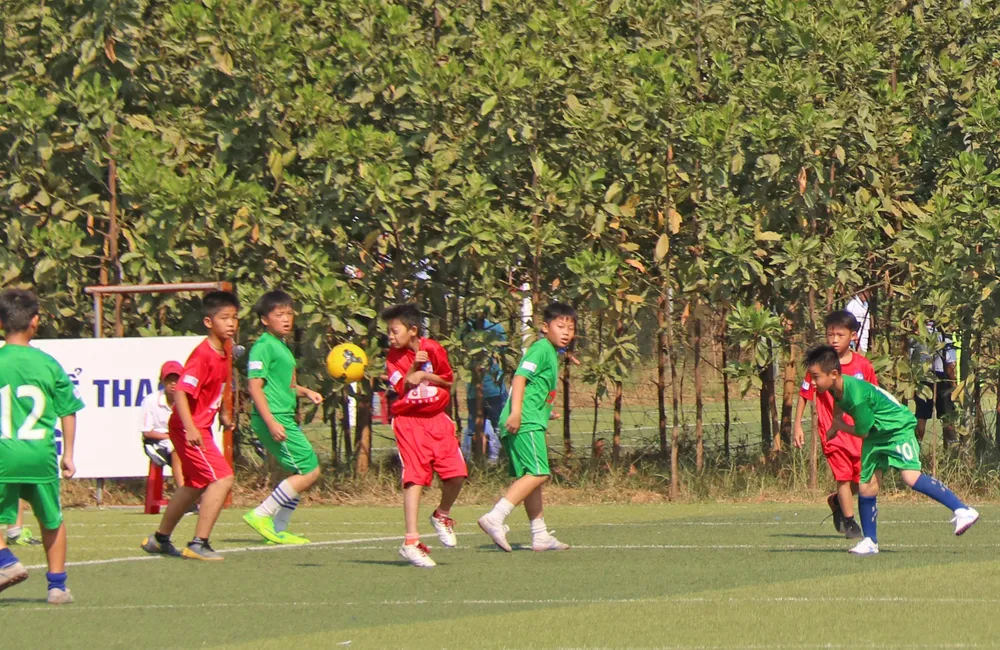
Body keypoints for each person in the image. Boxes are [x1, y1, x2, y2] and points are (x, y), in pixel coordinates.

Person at [804, 345, 979, 555]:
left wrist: (839, 426)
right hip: (877, 434)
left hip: (896, 430)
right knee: (866, 486)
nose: (812, 382)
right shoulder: (837, 387)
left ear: (833, 374)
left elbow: (862, 432)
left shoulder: (857, 395)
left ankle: (963, 510)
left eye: (816, 377)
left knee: (910, 476)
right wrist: (835, 423)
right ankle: (870, 541)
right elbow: (840, 403)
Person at [141, 291, 239, 561]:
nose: (231, 323)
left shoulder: (225, 350)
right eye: (224, 318)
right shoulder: (202, 355)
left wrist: (223, 413)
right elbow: (182, 392)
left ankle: (160, 539)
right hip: (190, 428)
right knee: (223, 478)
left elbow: (218, 386)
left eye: (234, 318)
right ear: (208, 322)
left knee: (196, 484)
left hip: (198, 427)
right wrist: (191, 427)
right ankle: (199, 543)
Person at [0, 288, 84, 604]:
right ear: (35, 321)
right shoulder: (48, 364)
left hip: (3, 454)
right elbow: (68, 410)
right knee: (52, 520)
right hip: (40, 455)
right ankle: (57, 586)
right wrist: (69, 455)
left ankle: (5, 560)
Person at [478, 302, 576, 553]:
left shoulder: (551, 352)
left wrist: (545, 411)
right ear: (545, 327)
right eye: (560, 326)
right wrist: (517, 413)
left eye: (571, 328)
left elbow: (535, 388)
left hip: (531, 418)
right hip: (524, 421)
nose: (566, 332)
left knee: (532, 477)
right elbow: (520, 377)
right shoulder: (541, 349)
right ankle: (495, 517)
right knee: (539, 473)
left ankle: (540, 534)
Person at [382, 303, 467, 568]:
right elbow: (401, 387)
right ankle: (411, 542)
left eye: (395, 331)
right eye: (388, 332)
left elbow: (448, 381)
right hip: (409, 422)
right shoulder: (392, 358)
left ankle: (441, 515)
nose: (391, 336)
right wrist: (413, 369)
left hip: (437, 419)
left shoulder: (433, 348)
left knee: (457, 474)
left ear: (413, 330)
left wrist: (425, 373)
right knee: (415, 477)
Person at [243, 291, 324, 545]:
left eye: (289, 313)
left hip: (283, 416)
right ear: (265, 319)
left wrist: (305, 391)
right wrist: (271, 422)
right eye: (279, 314)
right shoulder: (263, 346)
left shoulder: (281, 346)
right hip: (275, 417)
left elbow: (282, 385)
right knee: (310, 470)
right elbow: (254, 386)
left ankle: (278, 530)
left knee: (301, 471)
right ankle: (261, 514)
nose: (286, 319)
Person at [793, 311, 875, 540]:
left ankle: (837, 501)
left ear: (853, 336)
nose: (835, 340)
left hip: (858, 431)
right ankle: (850, 523)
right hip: (832, 431)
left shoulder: (863, 365)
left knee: (861, 479)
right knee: (843, 477)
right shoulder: (819, 365)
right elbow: (804, 394)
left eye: (840, 335)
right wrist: (797, 425)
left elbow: (873, 395)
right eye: (831, 335)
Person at [140, 361, 186, 489]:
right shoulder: (150, 400)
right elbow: (147, 432)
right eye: (169, 380)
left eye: (176, 379)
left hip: (182, 440)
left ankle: (196, 493)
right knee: (176, 449)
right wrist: (170, 437)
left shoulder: (188, 400)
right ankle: (183, 492)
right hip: (157, 442)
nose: (173, 383)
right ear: (162, 381)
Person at [912, 321, 958, 446]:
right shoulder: (944, 337)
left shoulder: (917, 336)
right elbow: (950, 364)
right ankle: (951, 447)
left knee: (921, 415)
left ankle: (917, 447)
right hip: (941, 377)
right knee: (947, 415)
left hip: (922, 377)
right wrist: (954, 384)